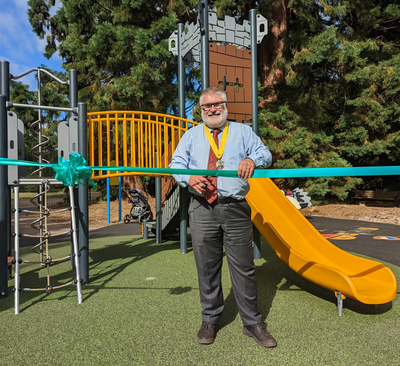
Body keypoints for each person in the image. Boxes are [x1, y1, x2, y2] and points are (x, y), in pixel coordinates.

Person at [169, 87, 276, 348]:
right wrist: (188, 177)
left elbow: (266, 154)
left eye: (217, 104)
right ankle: (210, 319)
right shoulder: (192, 136)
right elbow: (175, 164)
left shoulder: (242, 132)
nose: (212, 109)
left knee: (244, 267)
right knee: (206, 267)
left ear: (226, 106)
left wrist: (252, 158)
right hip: (201, 207)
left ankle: (252, 323)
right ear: (201, 110)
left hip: (236, 207)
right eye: (207, 106)